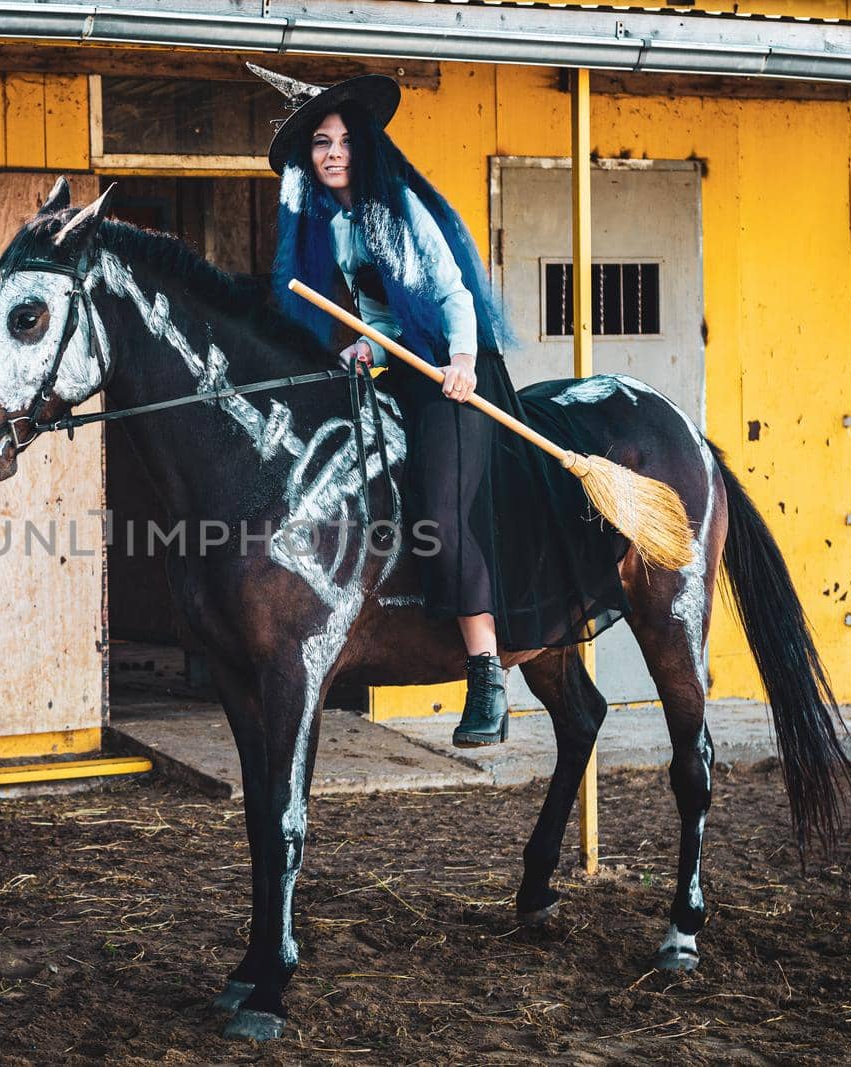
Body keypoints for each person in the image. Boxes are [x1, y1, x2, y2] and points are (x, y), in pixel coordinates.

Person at [248, 63, 628, 747]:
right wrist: (368, 350)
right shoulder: (331, 229)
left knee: (445, 510)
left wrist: (458, 361)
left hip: (455, 371)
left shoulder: (400, 210)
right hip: (401, 367)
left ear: (363, 146)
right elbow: (379, 317)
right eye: (319, 145)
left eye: (340, 141)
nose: (331, 155)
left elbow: (451, 294)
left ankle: (486, 672)